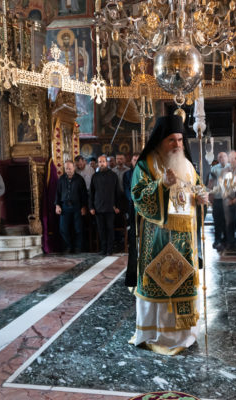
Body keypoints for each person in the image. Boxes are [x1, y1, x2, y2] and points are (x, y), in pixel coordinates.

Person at [129, 115, 209, 355]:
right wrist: (161, 184)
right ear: (160, 141)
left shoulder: (187, 165)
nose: (177, 145)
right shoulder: (146, 165)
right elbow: (138, 196)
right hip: (158, 241)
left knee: (183, 285)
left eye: (180, 140)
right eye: (172, 140)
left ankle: (185, 335)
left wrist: (201, 197)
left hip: (185, 243)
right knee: (161, 283)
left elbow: (196, 188)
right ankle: (156, 334)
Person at [89, 155, 121, 255]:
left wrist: (117, 206)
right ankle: (103, 249)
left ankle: (109, 249)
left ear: (106, 163)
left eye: (103, 161)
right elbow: (91, 193)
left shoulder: (113, 175)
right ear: (98, 163)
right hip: (98, 207)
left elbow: (117, 192)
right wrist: (91, 207)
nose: (101, 163)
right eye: (100, 162)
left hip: (110, 207)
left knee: (110, 229)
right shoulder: (95, 176)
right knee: (101, 230)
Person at [55, 160, 88, 253]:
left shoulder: (80, 179)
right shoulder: (61, 179)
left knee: (78, 228)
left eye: (70, 168)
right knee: (63, 228)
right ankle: (68, 246)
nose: (68, 170)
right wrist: (57, 205)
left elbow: (84, 194)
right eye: (66, 168)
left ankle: (78, 247)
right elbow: (57, 193)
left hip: (77, 207)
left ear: (74, 168)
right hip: (65, 207)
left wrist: (84, 206)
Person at [221, 151, 236, 252]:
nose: (233, 160)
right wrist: (228, 199)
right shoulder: (224, 170)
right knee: (229, 223)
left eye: (235, 158)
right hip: (228, 200)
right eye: (231, 158)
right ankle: (230, 243)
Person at [123, 152, 140, 286]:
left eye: (138, 160)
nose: (136, 162)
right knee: (133, 233)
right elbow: (127, 190)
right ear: (131, 161)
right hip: (132, 206)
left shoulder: (146, 173)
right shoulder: (127, 174)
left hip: (144, 207)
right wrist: (134, 199)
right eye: (134, 160)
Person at [208, 151, 228, 250]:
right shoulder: (214, 168)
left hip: (228, 199)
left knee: (227, 221)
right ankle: (217, 240)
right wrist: (210, 196)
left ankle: (227, 240)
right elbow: (210, 183)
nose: (222, 158)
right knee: (217, 221)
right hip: (217, 199)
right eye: (220, 157)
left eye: (223, 156)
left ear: (227, 158)